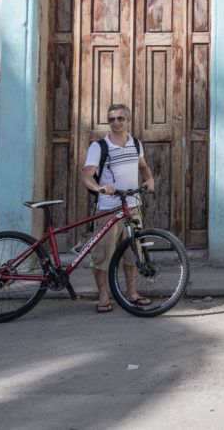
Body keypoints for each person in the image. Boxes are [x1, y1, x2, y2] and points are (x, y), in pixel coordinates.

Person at [80, 104, 155, 313]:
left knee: (133, 253)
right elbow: (87, 176)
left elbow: (143, 166)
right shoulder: (99, 147)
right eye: (111, 119)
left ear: (128, 120)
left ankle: (132, 294)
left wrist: (149, 179)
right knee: (102, 255)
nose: (116, 122)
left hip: (133, 206)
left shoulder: (136, 144)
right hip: (108, 209)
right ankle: (103, 296)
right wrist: (100, 188)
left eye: (121, 118)